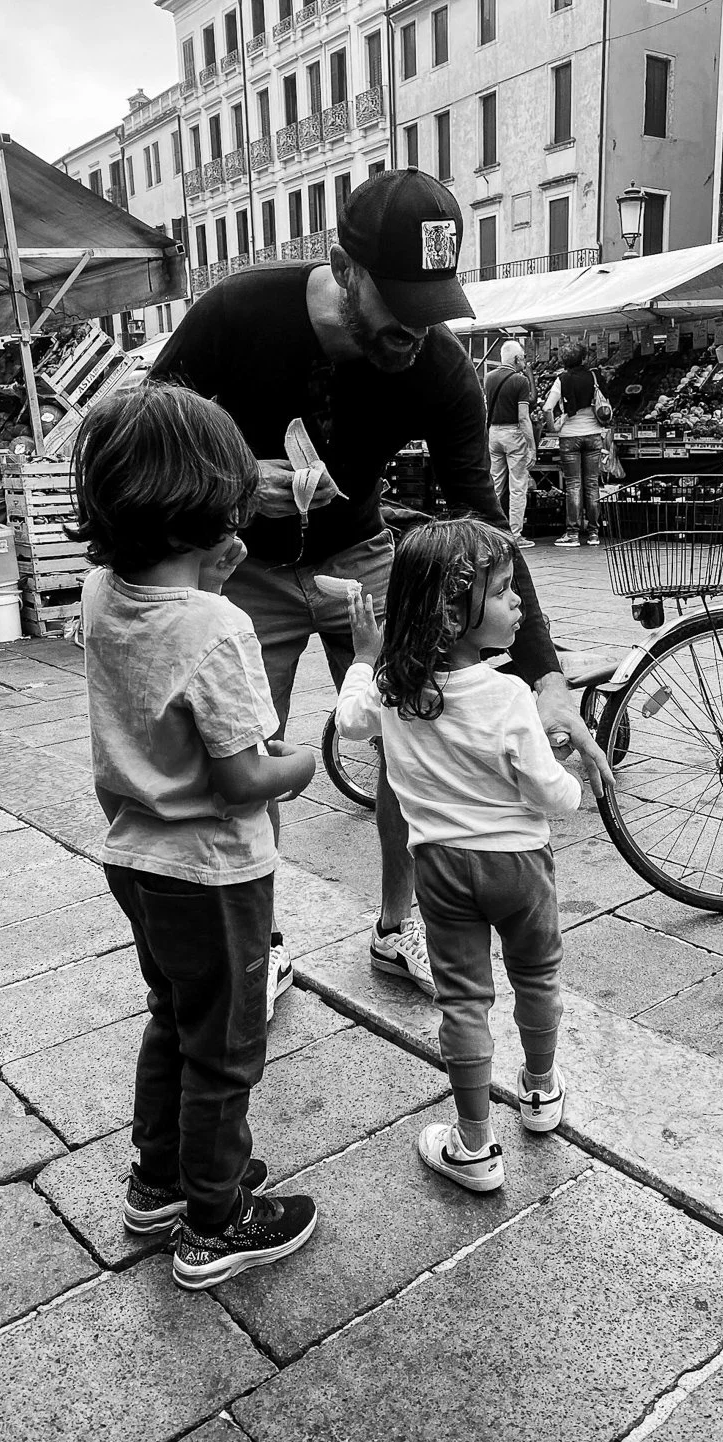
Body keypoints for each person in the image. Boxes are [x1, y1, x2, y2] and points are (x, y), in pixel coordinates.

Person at [151, 167, 611, 1002]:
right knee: (246, 756)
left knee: (411, 739)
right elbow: (148, 426)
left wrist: (544, 679)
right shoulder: (240, 310)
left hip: (360, 556)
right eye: (400, 302)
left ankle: (399, 928)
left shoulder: (435, 367)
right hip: (241, 565)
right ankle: (263, 945)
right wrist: (230, 480)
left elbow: (486, 525)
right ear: (344, 267)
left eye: (433, 304)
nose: (417, 327)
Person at [70, 383, 318, 1290]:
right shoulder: (219, 625)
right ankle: (217, 1219)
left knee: (174, 1019)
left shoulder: (102, 593)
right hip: (213, 872)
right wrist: (304, 764)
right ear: (211, 507)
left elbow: (155, 640)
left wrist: (203, 576)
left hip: (135, 861)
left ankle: (159, 1179)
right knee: (226, 1043)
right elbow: (245, 777)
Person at [335, 518, 582, 1192]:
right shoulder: (507, 698)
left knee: (464, 1004)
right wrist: (569, 778)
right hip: (520, 870)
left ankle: (473, 1146)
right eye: (504, 593)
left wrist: (362, 656)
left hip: (441, 872)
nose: (518, 603)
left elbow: (349, 719)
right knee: (536, 979)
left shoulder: (393, 690)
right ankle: (539, 1092)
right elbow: (551, 796)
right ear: (452, 612)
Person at [542, 344, 606, 547]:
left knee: (573, 485)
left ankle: (572, 534)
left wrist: (554, 427)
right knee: (592, 484)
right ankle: (594, 533)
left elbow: (547, 408)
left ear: (563, 361)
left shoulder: (562, 379)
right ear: (583, 358)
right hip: (594, 434)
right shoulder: (594, 376)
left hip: (569, 436)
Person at [485, 339, 536, 548]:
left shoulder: (488, 378)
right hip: (514, 434)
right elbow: (524, 418)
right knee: (517, 486)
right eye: (523, 357)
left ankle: (491, 531)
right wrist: (532, 446)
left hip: (494, 433)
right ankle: (515, 535)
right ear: (516, 358)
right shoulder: (520, 380)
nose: (524, 361)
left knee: (495, 484)